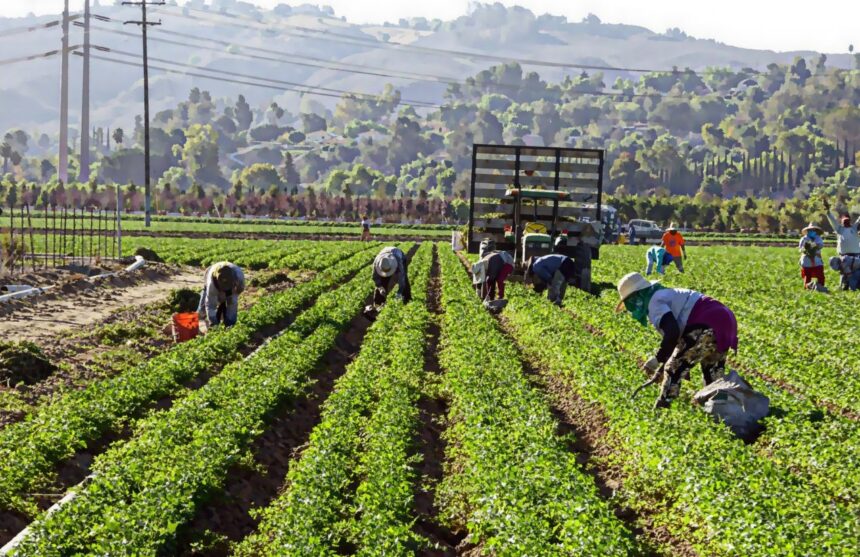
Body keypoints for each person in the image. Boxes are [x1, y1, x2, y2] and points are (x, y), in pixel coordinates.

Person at [616, 272, 738, 409]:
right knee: (712, 371)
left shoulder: (654, 302)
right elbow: (678, 341)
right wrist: (662, 366)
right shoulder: (665, 294)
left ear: (636, 297)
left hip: (706, 322)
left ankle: (663, 409)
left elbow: (672, 332)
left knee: (673, 368)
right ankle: (722, 410)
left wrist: (658, 359)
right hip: (725, 319)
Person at [824, 199, 860, 290]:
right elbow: (833, 221)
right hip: (843, 256)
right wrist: (828, 211)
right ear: (842, 222)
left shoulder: (854, 228)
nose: (846, 222)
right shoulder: (839, 229)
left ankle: (855, 286)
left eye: (847, 221)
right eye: (844, 221)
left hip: (856, 256)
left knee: (856, 272)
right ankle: (844, 286)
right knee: (844, 273)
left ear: (850, 221)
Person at [198, 261, 245, 329]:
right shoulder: (211, 284)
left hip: (231, 286)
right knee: (204, 306)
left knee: (232, 302)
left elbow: (239, 290)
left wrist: (230, 321)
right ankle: (201, 315)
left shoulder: (238, 276)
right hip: (210, 272)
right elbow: (210, 305)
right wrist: (214, 323)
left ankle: (229, 323)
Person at [798, 223, 825, 290]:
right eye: (810, 230)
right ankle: (808, 288)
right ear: (808, 231)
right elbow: (801, 249)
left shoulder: (818, 238)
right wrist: (806, 248)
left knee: (820, 276)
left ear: (816, 231)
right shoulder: (803, 239)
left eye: (813, 230)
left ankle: (820, 288)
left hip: (817, 260)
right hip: (807, 260)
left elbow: (820, 245)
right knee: (807, 276)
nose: (812, 231)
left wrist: (811, 245)